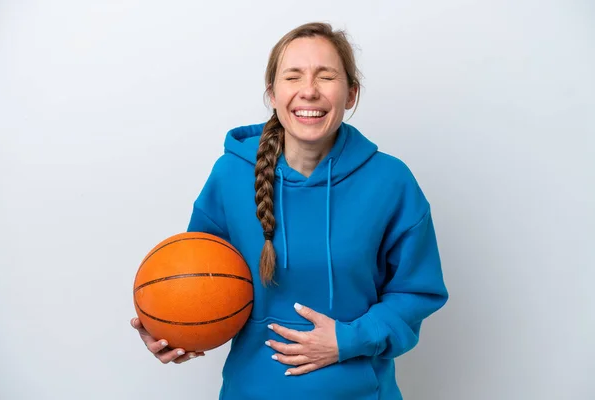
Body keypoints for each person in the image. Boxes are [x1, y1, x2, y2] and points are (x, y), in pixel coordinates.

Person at [130, 22, 448, 400]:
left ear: (351, 93)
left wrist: (349, 339)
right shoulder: (231, 175)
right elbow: (198, 282)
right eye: (293, 77)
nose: (309, 91)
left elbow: (416, 291)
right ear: (273, 94)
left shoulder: (391, 181)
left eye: (326, 76)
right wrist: (173, 329)